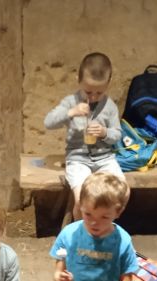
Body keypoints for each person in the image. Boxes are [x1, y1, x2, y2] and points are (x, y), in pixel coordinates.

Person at [44, 52, 126, 221]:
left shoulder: (110, 107)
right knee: (82, 199)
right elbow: (48, 122)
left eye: (99, 92)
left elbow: (117, 135)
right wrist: (71, 112)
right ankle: (81, 234)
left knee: (123, 191)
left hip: (105, 158)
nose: (93, 97)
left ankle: (104, 228)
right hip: (78, 158)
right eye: (88, 92)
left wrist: (104, 133)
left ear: (108, 84)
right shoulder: (71, 101)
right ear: (79, 80)